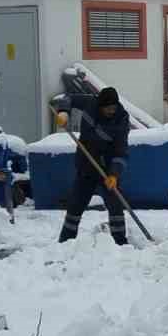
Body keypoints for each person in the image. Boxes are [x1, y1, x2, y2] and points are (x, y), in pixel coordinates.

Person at [55, 86, 131, 244]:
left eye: (113, 107)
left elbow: (121, 151)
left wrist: (114, 174)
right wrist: (64, 112)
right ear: (100, 105)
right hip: (86, 165)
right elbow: (68, 98)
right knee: (76, 205)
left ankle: (121, 243)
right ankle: (65, 241)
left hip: (107, 170)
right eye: (108, 108)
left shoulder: (121, 120)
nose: (111, 111)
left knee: (115, 206)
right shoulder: (90, 103)